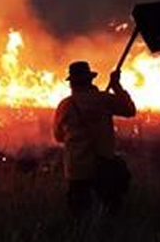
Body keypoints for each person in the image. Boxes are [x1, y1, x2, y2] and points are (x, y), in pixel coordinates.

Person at [53, 61, 136, 216]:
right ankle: (108, 238)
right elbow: (129, 110)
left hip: (76, 168)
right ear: (90, 79)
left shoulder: (65, 105)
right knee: (111, 210)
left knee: (78, 215)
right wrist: (116, 86)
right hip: (103, 164)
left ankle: (82, 238)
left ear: (72, 83)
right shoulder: (103, 100)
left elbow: (58, 136)